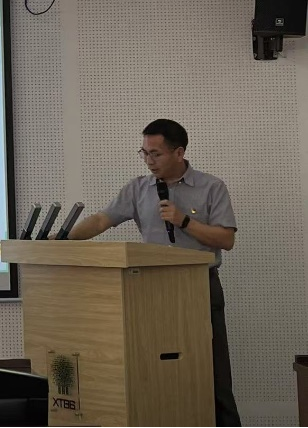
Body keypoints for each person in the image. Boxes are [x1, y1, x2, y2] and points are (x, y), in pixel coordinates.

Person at [65, 118, 241, 427]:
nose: (148, 161)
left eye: (156, 154)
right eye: (144, 153)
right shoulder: (138, 188)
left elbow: (226, 239)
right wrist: (63, 239)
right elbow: (102, 220)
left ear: (179, 152)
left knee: (212, 372)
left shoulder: (211, 187)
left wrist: (184, 221)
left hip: (199, 288)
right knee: (155, 368)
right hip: (151, 290)